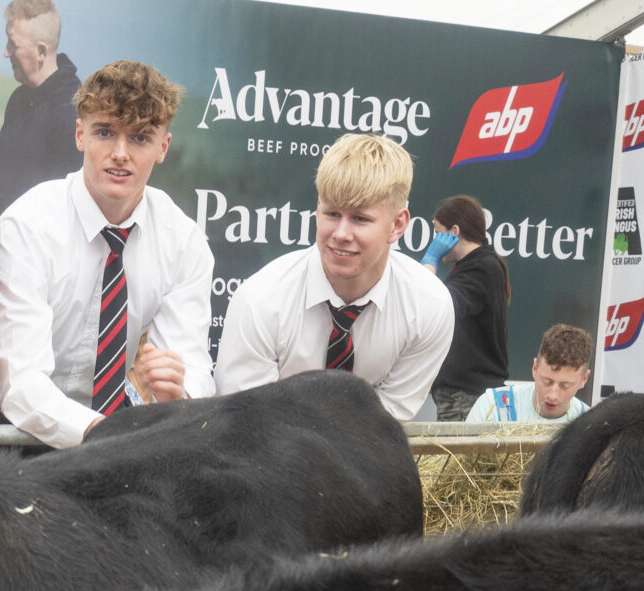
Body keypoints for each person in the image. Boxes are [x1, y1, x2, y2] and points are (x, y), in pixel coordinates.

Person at [0, 60, 211, 450]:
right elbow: (21, 385)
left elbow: (190, 371)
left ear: (164, 146)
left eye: (140, 138)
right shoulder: (27, 227)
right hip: (25, 442)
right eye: (105, 133)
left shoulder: (183, 241)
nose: (120, 153)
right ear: (80, 135)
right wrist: (107, 440)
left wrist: (178, 395)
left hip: (127, 442)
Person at [213, 133, 452, 423]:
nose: (341, 234)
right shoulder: (260, 300)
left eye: (360, 219)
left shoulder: (429, 305)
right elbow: (246, 422)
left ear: (398, 224)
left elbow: (388, 421)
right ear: (317, 210)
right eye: (332, 214)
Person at [0, 0, 83, 215]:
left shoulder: (74, 113)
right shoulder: (18, 100)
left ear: (41, 51)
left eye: (13, 44)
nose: (5, 52)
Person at [427, 194, 510, 422]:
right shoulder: (474, 266)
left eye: (437, 232)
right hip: (462, 392)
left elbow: (436, 308)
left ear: (453, 231)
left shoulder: (481, 268)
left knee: (457, 459)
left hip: (466, 395)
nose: (434, 240)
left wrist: (429, 262)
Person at [467, 323, 593, 424]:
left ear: (584, 379)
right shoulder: (493, 406)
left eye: (565, 386)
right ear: (534, 368)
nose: (553, 395)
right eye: (546, 381)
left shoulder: (589, 424)